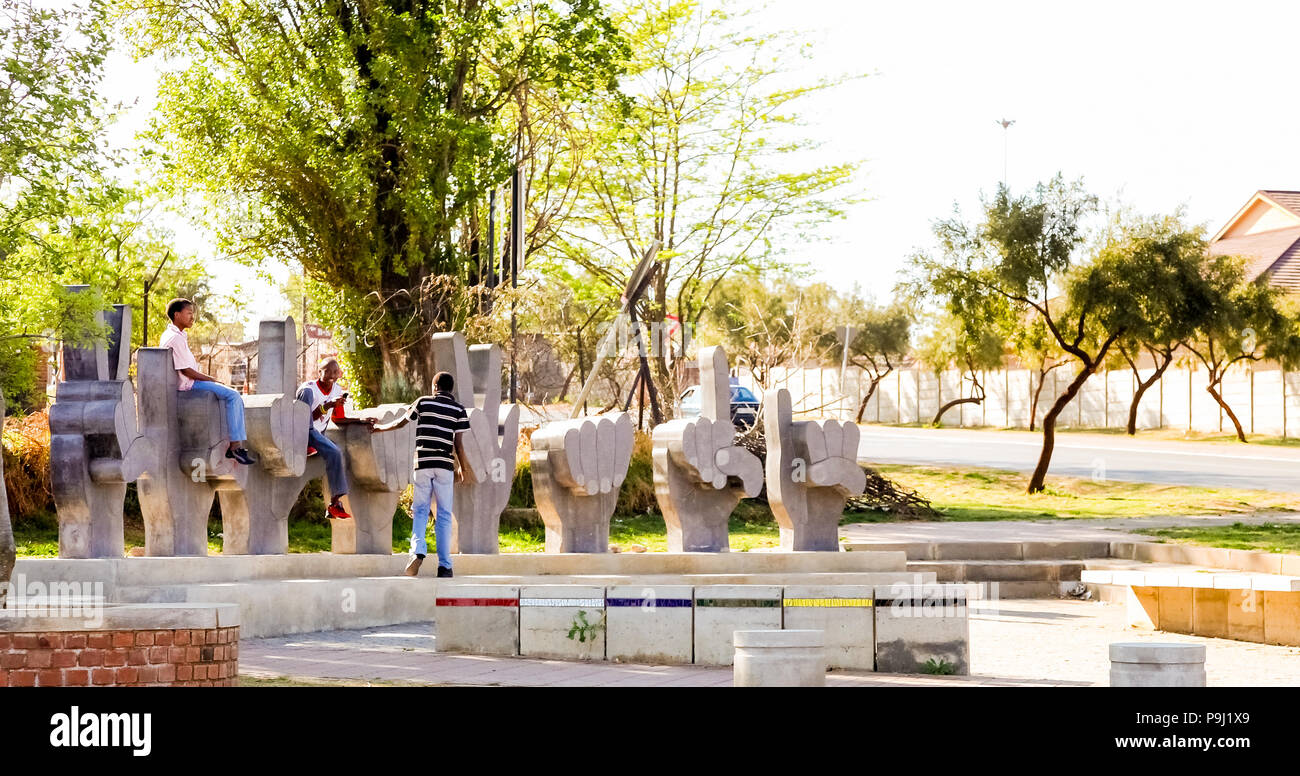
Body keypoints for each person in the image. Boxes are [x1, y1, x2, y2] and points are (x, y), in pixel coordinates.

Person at [374, 371, 472, 578]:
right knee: (444, 515)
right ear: (451, 388)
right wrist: (464, 467)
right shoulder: (459, 410)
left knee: (420, 510)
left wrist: (379, 428)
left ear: (435, 386)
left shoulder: (423, 402)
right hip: (445, 466)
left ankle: (417, 550)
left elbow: (401, 422)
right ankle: (445, 566)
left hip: (423, 464)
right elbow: (459, 444)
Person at [157, 298, 257, 465]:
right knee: (233, 395)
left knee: (230, 395)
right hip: (187, 384)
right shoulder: (174, 338)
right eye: (189, 313)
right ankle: (235, 447)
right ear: (177, 315)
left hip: (188, 381)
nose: (192, 317)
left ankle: (235, 444)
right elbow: (185, 370)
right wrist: (210, 378)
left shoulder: (178, 335)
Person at [296, 359, 376, 521]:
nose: (332, 376)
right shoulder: (308, 390)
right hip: (303, 434)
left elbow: (338, 419)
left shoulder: (337, 390)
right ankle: (335, 502)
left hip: (318, 435)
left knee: (338, 452)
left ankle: (334, 504)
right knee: (335, 452)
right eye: (328, 371)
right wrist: (327, 406)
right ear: (320, 372)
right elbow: (302, 420)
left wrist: (361, 421)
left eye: (335, 372)